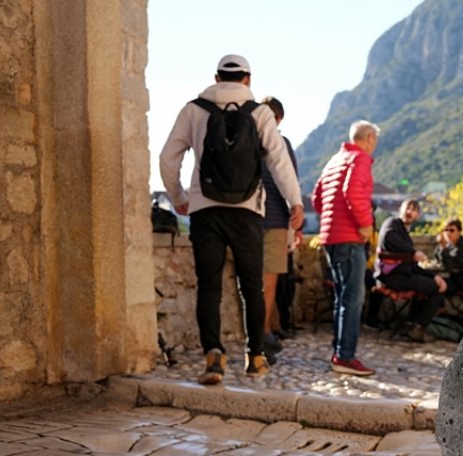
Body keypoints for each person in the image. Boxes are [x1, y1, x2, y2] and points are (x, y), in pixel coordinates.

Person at [159, 54, 303, 385]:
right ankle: (255, 358)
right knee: (251, 286)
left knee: (209, 286)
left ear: (216, 76)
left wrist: (180, 197)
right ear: (247, 80)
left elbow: (168, 158)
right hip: (248, 211)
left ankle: (214, 357)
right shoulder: (261, 113)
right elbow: (279, 161)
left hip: (205, 211)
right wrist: (294, 201)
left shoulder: (193, 110)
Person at [313, 121, 380, 376]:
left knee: (343, 297)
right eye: (375, 141)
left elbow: (318, 197)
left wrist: (332, 219)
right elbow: (353, 192)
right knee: (353, 298)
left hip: (330, 236)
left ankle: (339, 352)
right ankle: (345, 357)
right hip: (349, 237)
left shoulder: (335, 159)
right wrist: (364, 225)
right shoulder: (360, 159)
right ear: (370, 138)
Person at [258, 97, 303, 364]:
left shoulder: (247, 138)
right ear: (277, 119)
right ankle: (263, 334)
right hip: (273, 218)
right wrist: (296, 224)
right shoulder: (281, 143)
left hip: (246, 218)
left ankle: (267, 330)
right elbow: (291, 182)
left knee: (251, 283)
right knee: (269, 282)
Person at [376, 200, 448, 341]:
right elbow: (388, 237)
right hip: (394, 277)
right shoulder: (392, 223)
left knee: (434, 285)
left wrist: (434, 277)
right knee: (437, 291)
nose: (409, 212)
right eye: (407, 208)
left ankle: (411, 324)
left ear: (417, 215)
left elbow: (413, 265)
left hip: (405, 275)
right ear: (400, 209)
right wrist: (413, 252)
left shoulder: (405, 235)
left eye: (414, 210)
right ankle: (417, 327)